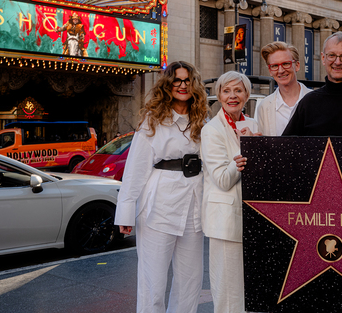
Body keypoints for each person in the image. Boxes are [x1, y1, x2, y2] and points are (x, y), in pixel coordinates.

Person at [115, 61, 208, 313]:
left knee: (190, 283)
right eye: (176, 80)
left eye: (187, 80)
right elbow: (135, 170)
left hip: (194, 209)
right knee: (153, 283)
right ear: (168, 85)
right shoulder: (152, 121)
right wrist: (125, 212)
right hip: (159, 208)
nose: (182, 85)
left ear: (194, 85)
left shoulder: (202, 119)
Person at [201, 71, 260, 312]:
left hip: (253, 217)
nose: (232, 96)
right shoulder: (212, 130)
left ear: (247, 94)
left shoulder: (253, 124)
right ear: (219, 96)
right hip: (225, 221)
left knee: (248, 289)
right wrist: (247, 153)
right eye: (226, 91)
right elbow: (223, 180)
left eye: (238, 90)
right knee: (228, 292)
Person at [255, 42, 312, 136]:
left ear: (297, 65)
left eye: (286, 64)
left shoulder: (316, 101)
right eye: (275, 66)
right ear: (270, 70)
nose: (281, 70)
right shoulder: (264, 107)